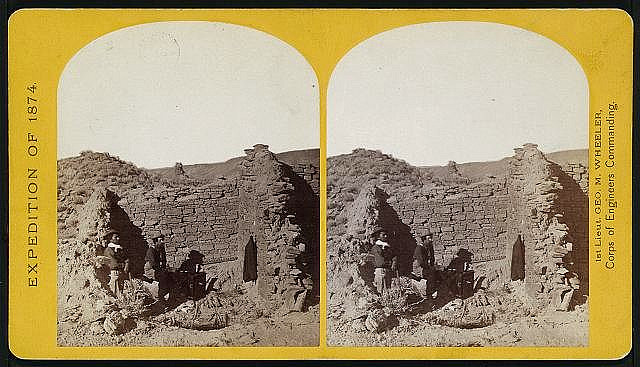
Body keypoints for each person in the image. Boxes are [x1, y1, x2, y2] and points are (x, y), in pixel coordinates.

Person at [369, 226, 397, 296]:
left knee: (388, 289)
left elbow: (393, 256)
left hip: (387, 270)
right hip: (380, 270)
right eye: (383, 235)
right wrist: (390, 262)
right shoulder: (376, 248)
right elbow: (380, 262)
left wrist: (394, 262)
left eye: (386, 234)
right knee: (380, 288)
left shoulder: (387, 247)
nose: (386, 236)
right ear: (378, 237)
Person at [103, 230, 129, 297]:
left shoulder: (119, 248)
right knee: (115, 290)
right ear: (110, 239)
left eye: (118, 237)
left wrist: (127, 265)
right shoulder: (108, 250)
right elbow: (113, 263)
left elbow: (126, 258)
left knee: (121, 290)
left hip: (121, 272)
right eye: (116, 237)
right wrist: (123, 265)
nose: (118, 239)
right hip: (114, 272)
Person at [144, 234, 169, 301]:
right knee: (162, 277)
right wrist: (161, 271)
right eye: (160, 240)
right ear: (156, 242)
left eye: (163, 240)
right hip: (150, 269)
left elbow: (164, 260)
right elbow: (153, 264)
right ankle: (159, 296)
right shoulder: (151, 250)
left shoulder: (161, 249)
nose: (162, 241)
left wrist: (164, 268)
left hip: (157, 268)